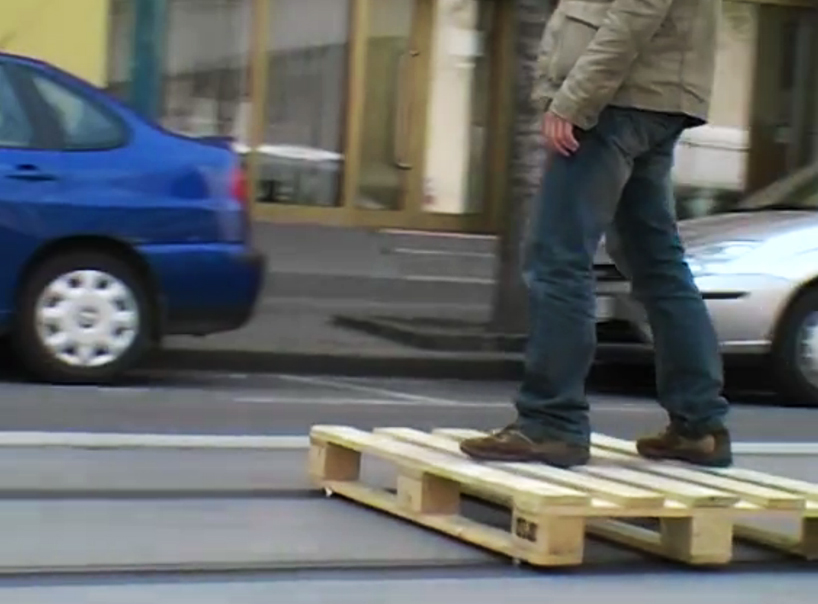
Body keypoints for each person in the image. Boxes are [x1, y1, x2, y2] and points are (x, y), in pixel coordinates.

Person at [459, 0, 732, 468]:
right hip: (647, 98)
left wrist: (574, 101)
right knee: (656, 263)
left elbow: (634, 13)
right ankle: (698, 424)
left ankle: (552, 421)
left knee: (558, 258)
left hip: (614, 101)